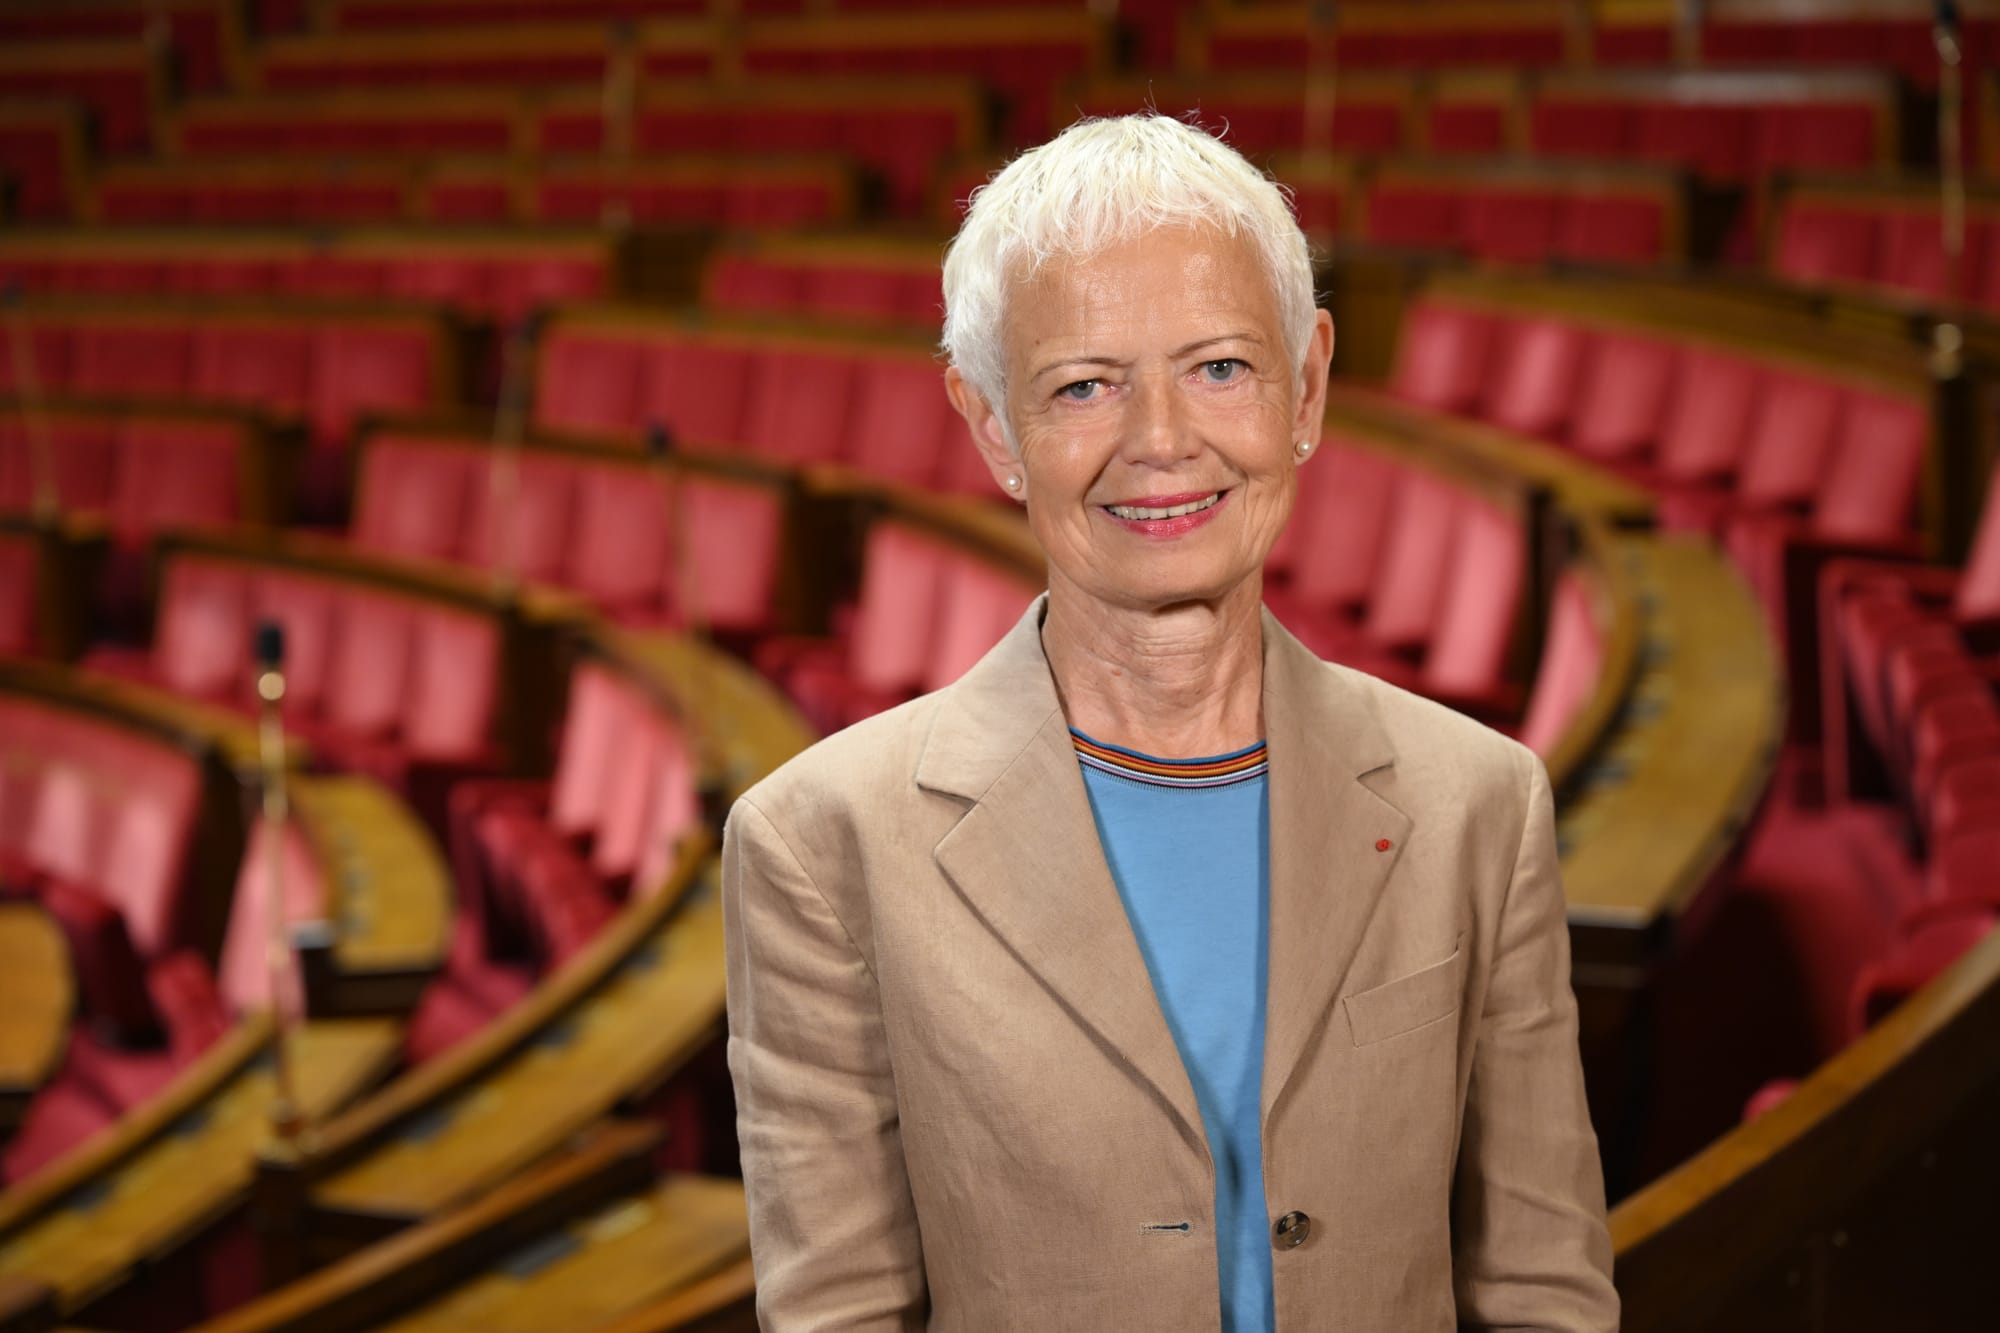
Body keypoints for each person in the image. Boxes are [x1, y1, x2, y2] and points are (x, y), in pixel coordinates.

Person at [721, 113, 1619, 1331]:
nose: (1159, 441)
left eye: (1219, 368)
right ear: (992, 428)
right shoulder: (818, 843)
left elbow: (1543, 1288)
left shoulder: (1479, 799)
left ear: (1305, 387)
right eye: (1082, 386)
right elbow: (837, 1312)